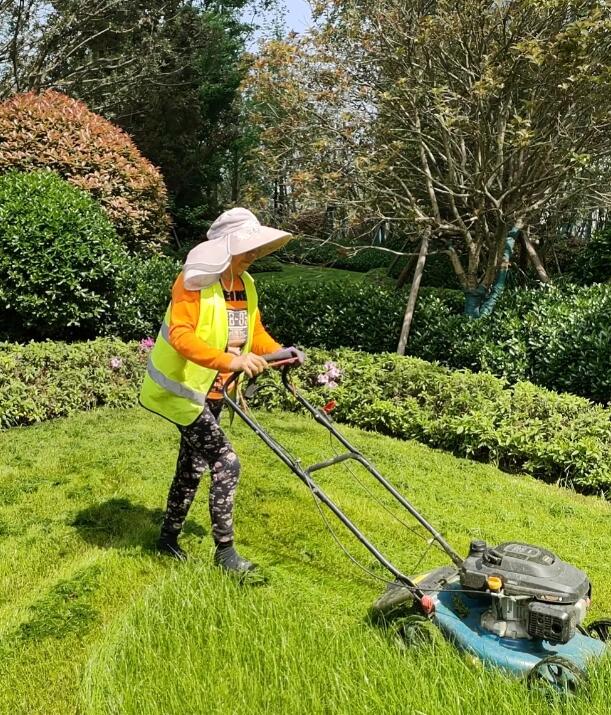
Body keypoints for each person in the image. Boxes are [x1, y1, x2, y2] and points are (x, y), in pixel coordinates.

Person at [139, 207, 304, 571]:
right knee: (226, 461)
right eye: (246, 249)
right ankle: (225, 553)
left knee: (192, 465)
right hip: (181, 391)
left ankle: (167, 538)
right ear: (225, 248)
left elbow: (253, 334)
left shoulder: (245, 284)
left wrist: (281, 354)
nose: (253, 255)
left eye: (256, 250)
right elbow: (181, 336)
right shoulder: (193, 282)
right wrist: (229, 361)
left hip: (214, 391)